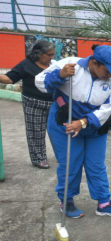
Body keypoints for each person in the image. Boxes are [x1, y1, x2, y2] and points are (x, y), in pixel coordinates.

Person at [35, 45, 111, 218]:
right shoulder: (71, 65)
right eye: (107, 70)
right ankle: (66, 201)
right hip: (65, 124)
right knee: (71, 164)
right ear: (94, 63)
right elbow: (39, 82)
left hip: (94, 127)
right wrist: (59, 75)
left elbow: (107, 108)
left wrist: (83, 122)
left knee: (96, 165)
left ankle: (104, 203)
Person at [0, 40, 55, 169]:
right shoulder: (26, 65)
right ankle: (39, 159)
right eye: (49, 54)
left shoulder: (54, 65)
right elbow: (9, 78)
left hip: (54, 104)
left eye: (53, 54)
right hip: (34, 104)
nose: (52, 57)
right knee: (36, 132)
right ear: (38, 53)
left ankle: (62, 155)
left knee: (58, 131)